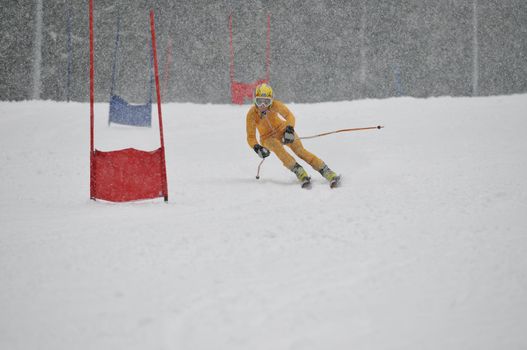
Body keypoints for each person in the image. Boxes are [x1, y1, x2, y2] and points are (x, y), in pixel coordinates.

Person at [246, 83, 339, 186]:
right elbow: (251, 137)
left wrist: (289, 129)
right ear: (254, 100)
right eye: (259, 101)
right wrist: (256, 147)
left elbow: (289, 116)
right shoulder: (251, 114)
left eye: (266, 102)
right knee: (278, 148)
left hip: (283, 130)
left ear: (271, 101)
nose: (263, 105)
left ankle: (325, 170)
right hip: (267, 138)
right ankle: (298, 171)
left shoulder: (276, 105)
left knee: (300, 151)